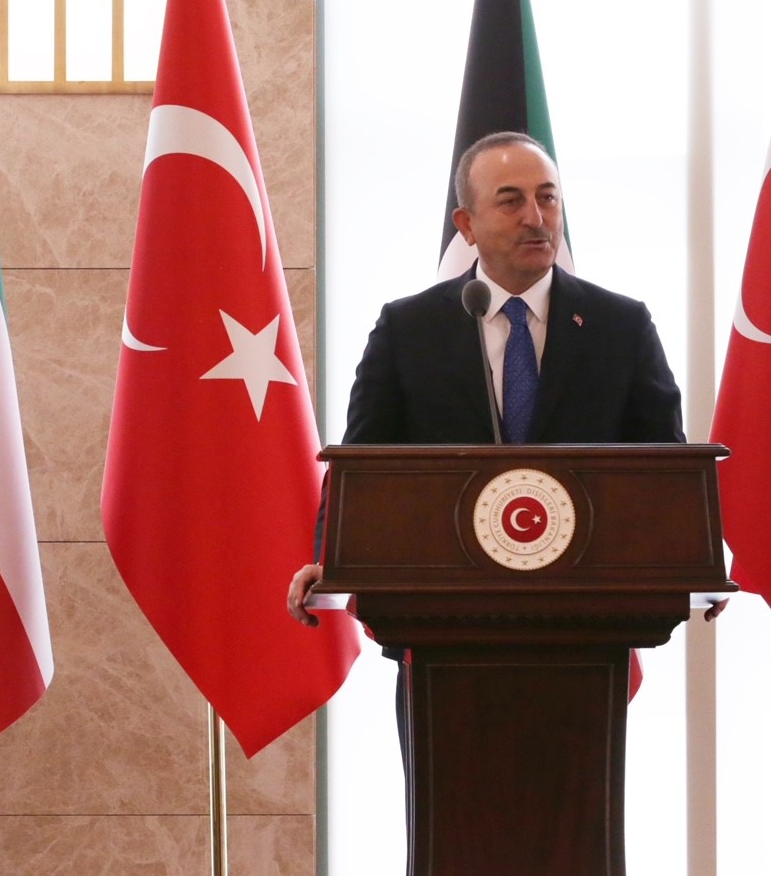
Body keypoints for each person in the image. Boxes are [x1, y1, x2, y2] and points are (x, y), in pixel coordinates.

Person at [288, 131, 684, 619]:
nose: (535, 219)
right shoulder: (410, 328)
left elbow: (665, 466)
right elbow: (361, 467)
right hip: (441, 613)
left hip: (585, 610)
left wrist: (691, 555)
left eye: (547, 198)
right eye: (511, 201)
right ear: (467, 224)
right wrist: (328, 558)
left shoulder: (620, 325)